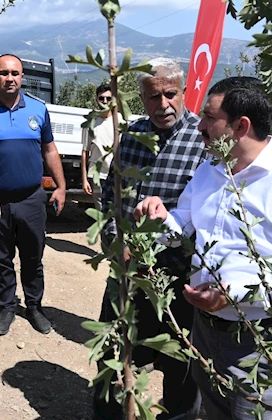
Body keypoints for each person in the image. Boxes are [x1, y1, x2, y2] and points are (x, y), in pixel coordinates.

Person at [135, 77, 272, 420]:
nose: (199, 126)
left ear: (240, 126)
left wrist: (236, 296)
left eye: (209, 118)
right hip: (204, 330)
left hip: (261, 341)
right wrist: (160, 217)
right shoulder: (209, 171)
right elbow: (184, 224)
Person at [93, 60, 209, 420]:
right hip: (127, 272)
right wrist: (116, 242)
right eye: (153, 97)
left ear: (183, 92)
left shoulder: (203, 141)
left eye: (170, 94)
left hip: (178, 278)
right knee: (114, 354)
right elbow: (112, 201)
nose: (163, 105)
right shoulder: (131, 137)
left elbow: (208, 214)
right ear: (141, 99)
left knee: (182, 364)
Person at [0, 54, 66, 336]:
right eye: (4, 73)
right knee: (0, 257)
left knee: (33, 256)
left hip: (31, 199)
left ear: (22, 77)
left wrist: (61, 185)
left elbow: (50, 150)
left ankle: (34, 306)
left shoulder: (38, 110)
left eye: (15, 73)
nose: (10, 78)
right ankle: (6, 306)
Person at [81, 83, 118, 211]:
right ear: (96, 99)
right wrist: (84, 179)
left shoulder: (119, 122)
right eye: (101, 98)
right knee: (101, 214)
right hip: (96, 175)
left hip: (114, 175)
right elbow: (85, 151)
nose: (104, 101)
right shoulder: (90, 122)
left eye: (108, 98)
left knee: (115, 212)